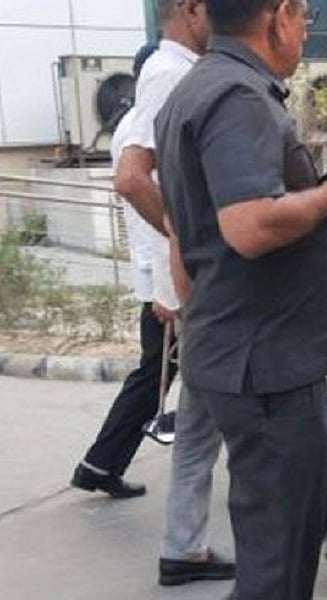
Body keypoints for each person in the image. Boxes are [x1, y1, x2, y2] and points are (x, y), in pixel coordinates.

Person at [154, 1, 327, 597]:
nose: (305, 30)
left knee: (281, 541)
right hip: (264, 364)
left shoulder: (197, 88)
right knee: (278, 562)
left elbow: (183, 227)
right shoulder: (237, 97)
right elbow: (248, 226)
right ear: (277, 16)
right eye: (303, 16)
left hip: (250, 352)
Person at [104, 0, 236, 587]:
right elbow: (137, 180)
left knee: (205, 423)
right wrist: (175, 271)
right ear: (187, 8)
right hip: (199, 287)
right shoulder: (171, 73)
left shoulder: (179, 69)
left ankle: (183, 547)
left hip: (196, 285)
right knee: (281, 415)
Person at [69, 34, 189, 501]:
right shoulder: (143, 130)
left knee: (161, 376)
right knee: (154, 378)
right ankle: (100, 462)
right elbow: (158, 219)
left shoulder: (133, 127)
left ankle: (100, 463)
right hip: (166, 278)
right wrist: (167, 291)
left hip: (162, 275)